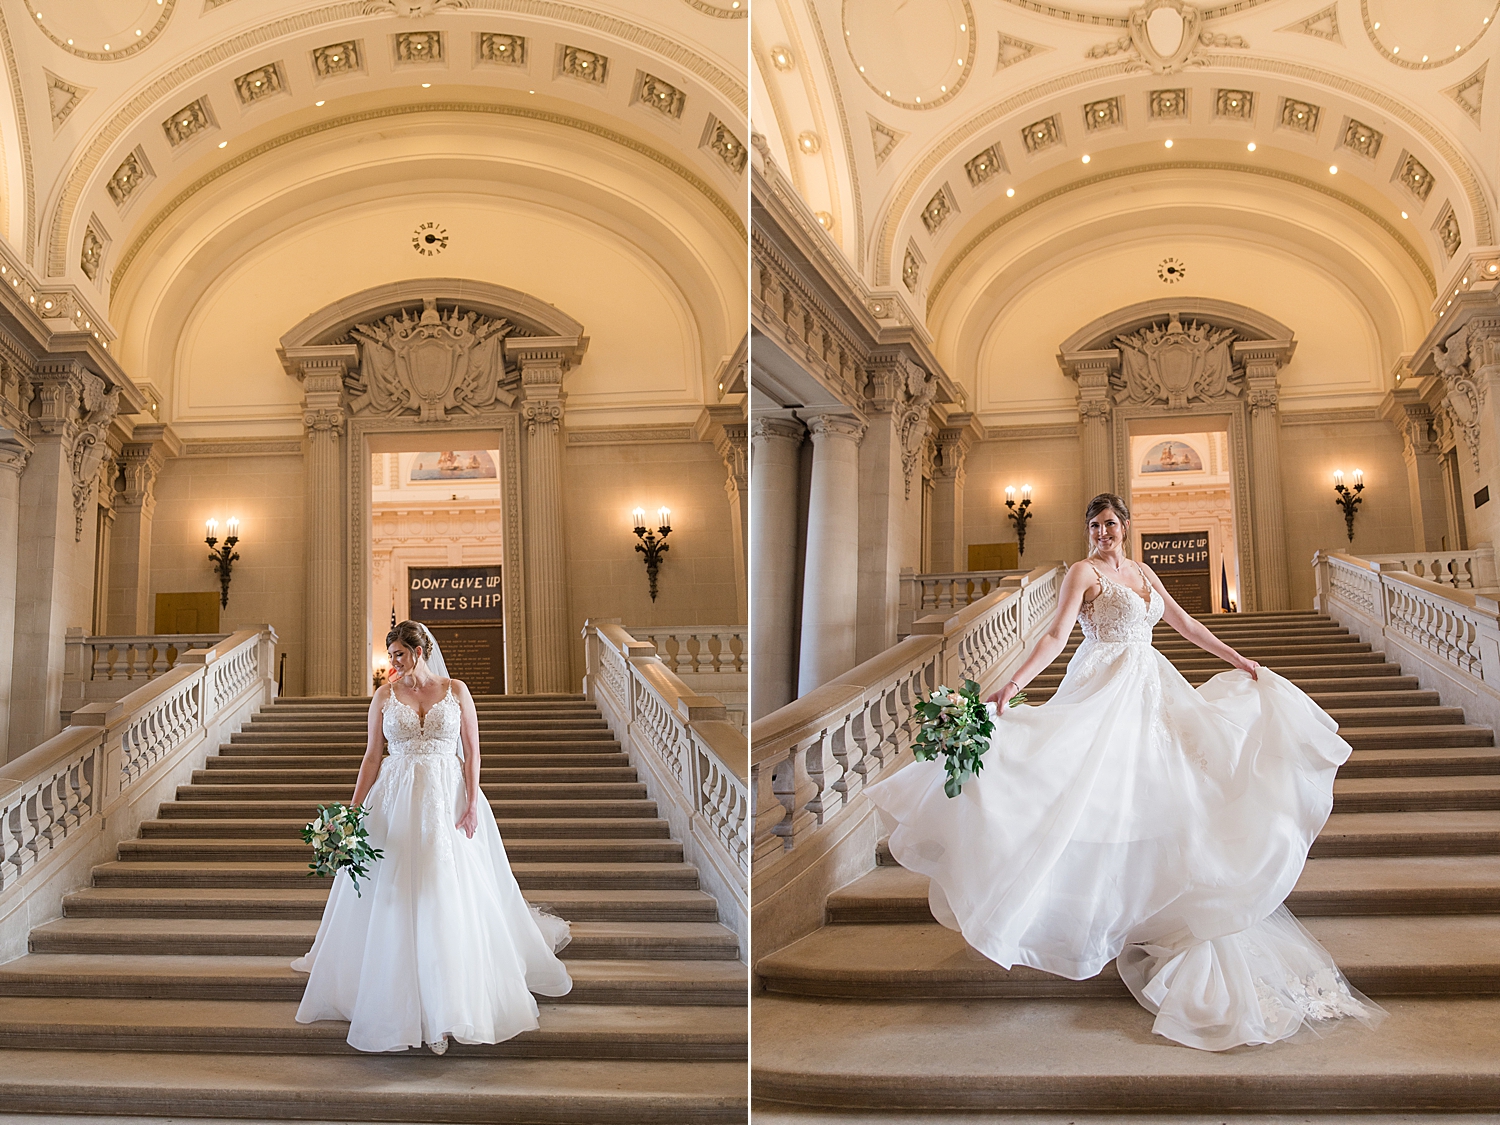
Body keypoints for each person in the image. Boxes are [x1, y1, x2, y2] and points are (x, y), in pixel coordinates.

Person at [867, 494, 1383, 1051]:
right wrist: (1013, 686)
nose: (1103, 532)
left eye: (1111, 523)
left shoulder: (1141, 571)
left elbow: (1184, 624)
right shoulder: (1082, 573)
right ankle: (1082, 911)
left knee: (1172, 795)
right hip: (1104, 685)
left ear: (1127, 527)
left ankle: (1157, 910)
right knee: (1092, 792)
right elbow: (1054, 636)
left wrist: (1240, 661)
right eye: (1094, 524)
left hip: (1154, 687)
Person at [291, 619, 572, 1053]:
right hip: (395, 795)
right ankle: (392, 989)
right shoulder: (384, 696)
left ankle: (450, 999)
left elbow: (473, 751)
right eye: (391, 657)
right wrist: (352, 809)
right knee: (395, 888)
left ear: (419, 651)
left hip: (447, 795)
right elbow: (371, 756)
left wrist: (473, 802)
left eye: (400, 655)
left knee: (447, 888)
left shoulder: (456, 690)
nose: (394, 663)